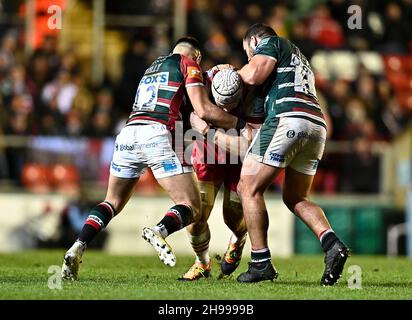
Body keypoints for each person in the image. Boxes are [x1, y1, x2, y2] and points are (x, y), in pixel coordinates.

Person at [61, 36, 249, 280]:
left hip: (128, 133)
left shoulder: (153, 67)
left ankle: (77, 247)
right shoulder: (187, 63)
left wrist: (212, 72)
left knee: (111, 202)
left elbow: (192, 79)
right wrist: (241, 125)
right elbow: (201, 108)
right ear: (196, 56)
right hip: (157, 133)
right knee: (192, 207)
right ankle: (159, 230)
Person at [235, 23, 349, 285]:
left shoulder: (273, 43)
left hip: (288, 118)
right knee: (296, 196)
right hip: (316, 125)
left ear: (253, 40)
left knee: (248, 187)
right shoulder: (300, 60)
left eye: (247, 51)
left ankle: (260, 262)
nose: (249, 56)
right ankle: (332, 244)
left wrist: (229, 73)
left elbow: (252, 74)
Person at [179, 67, 264, 281]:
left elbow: (248, 146)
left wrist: (207, 130)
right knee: (196, 216)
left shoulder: (255, 97)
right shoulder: (204, 81)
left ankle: (238, 237)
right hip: (207, 158)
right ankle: (202, 263)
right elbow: (187, 99)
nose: (225, 108)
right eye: (220, 102)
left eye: (231, 103)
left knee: (232, 218)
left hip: (239, 161)